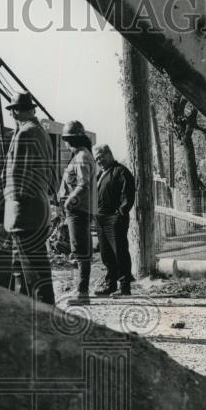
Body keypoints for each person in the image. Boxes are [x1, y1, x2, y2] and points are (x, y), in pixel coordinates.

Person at [2, 91, 59, 305]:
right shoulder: (42, 133)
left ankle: (45, 314)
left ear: (17, 111)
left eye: (13, 111)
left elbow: (18, 176)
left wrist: (10, 198)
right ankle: (29, 314)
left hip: (24, 212)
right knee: (26, 268)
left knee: (32, 270)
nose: (12, 115)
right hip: (37, 207)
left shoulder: (25, 134)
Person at [58, 120, 98, 305]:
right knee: (80, 250)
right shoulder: (80, 155)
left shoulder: (81, 157)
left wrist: (69, 202)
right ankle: (80, 289)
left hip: (78, 209)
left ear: (70, 140)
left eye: (66, 139)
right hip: (79, 208)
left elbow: (83, 184)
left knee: (81, 251)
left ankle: (83, 293)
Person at [93, 143, 135, 297]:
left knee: (120, 253)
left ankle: (125, 288)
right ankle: (110, 285)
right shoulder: (100, 175)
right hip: (100, 219)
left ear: (109, 154)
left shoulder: (121, 172)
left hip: (114, 219)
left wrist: (119, 215)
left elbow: (127, 196)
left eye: (101, 157)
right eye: (96, 159)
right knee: (106, 255)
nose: (99, 161)